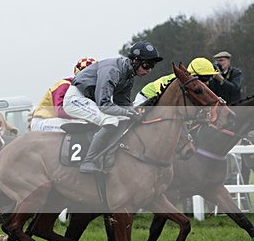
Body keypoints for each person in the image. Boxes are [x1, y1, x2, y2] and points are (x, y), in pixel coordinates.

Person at [62, 41, 162, 174]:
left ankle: (107, 154)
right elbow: (104, 105)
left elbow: (124, 104)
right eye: (146, 65)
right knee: (110, 120)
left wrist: (137, 112)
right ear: (134, 61)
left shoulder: (129, 76)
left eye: (152, 66)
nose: (149, 70)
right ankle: (88, 161)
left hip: (90, 100)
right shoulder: (113, 70)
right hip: (76, 99)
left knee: (123, 118)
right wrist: (129, 113)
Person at [29, 57, 96, 132]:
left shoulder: (87, 91)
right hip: (43, 121)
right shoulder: (65, 85)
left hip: (59, 120)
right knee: (77, 126)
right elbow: (60, 112)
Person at [134, 57, 219, 105]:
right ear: (194, 75)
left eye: (210, 77)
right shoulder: (178, 82)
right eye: (205, 78)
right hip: (146, 97)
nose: (207, 82)